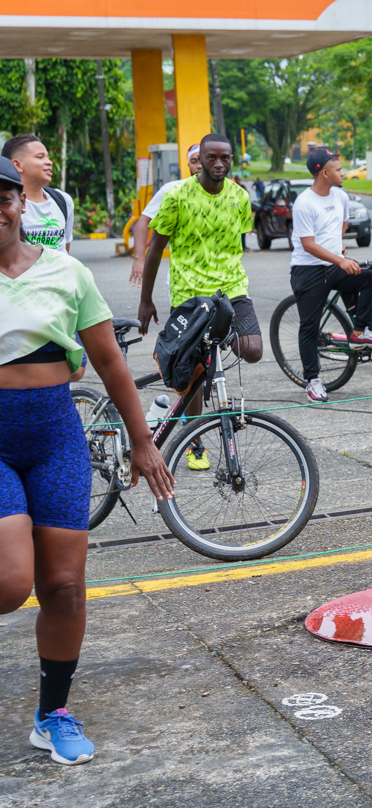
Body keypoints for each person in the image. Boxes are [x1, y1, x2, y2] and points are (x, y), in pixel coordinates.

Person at [0, 157, 173, 767]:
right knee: (10, 582)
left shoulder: (67, 272)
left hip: (54, 436)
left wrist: (142, 439)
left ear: (21, 203)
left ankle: (52, 716)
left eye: (4, 197)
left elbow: (110, 363)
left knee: (65, 587)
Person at [137, 134, 261, 456]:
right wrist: (145, 299)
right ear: (200, 159)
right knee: (192, 374)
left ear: (232, 159)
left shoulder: (239, 197)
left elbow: (237, 243)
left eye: (225, 158)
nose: (218, 164)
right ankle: (194, 438)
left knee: (252, 350)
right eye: (211, 158)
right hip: (190, 293)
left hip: (232, 288)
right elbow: (155, 250)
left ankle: (206, 361)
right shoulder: (177, 195)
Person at [288, 147, 372, 403]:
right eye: (339, 169)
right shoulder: (304, 203)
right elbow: (308, 244)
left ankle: (359, 331)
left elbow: (341, 224)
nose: (343, 173)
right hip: (307, 270)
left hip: (333, 265)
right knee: (309, 327)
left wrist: (338, 248)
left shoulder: (340, 196)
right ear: (324, 172)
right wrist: (340, 259)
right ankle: (313, 381)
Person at [129, 144, 201, 286]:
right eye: (194, 162)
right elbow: (143, 221)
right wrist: (139, 259)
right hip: (183, 281)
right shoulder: (172, 190)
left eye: (201, 160)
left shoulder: (227, 191)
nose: (199, 166)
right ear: (188, 165)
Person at [3, 135, 73, 254]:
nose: (49, 162)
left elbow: (65, 250)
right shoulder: (6, 205)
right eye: (40, 157)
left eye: (48, 157)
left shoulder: (63, 200)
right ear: (17, 165)